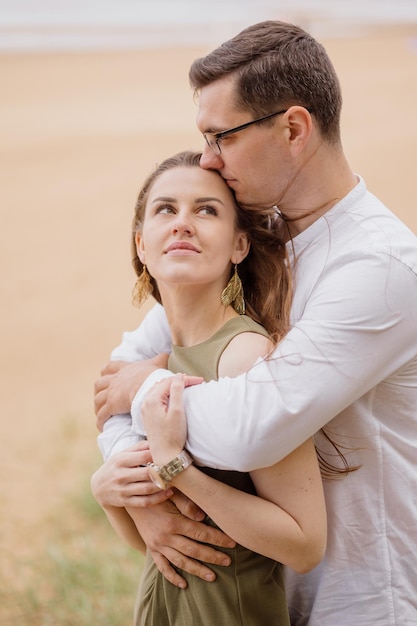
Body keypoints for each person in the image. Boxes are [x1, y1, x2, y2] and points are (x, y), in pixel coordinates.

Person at [93, 21, 417, 625]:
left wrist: (146, 390)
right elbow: (110, 387)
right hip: (263, 592)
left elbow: (252, 428)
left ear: (293, 129)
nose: (210, 158)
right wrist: (131, 491)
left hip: (365, 597)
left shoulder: (378, 267)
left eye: (221, 136)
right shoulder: (263, 243)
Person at [93, 150, 328, 625]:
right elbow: (170, 545)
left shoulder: (245, 356)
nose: (182, 223)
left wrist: (177, 469)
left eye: (206, 209)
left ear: (239, 245)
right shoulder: (158, 360)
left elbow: (304, 545)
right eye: (166, 209)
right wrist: (110, 496)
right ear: (142, 244)